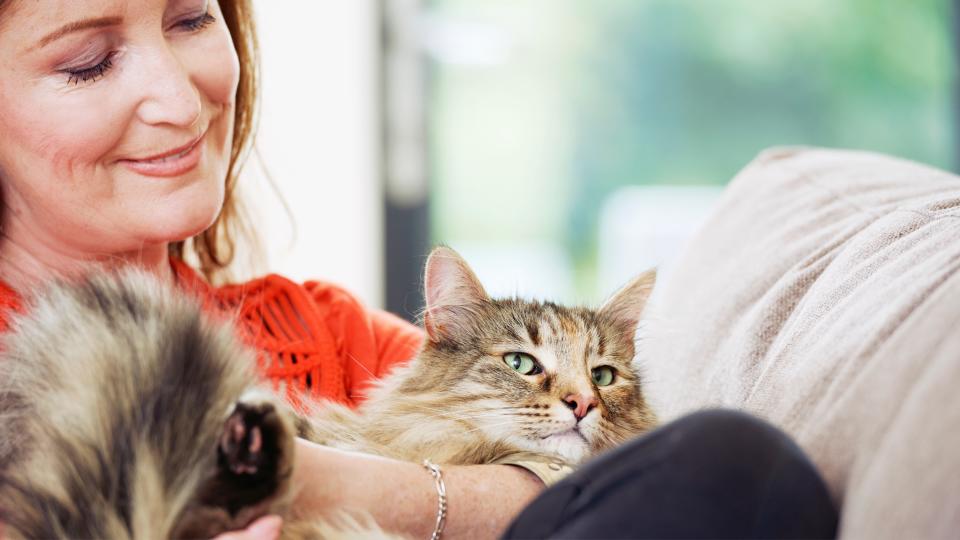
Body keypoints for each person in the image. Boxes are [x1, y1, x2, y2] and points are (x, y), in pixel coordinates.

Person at [0, 1, 838, 539]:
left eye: (190, 20)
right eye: (88, 63)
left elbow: (591, 488)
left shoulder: (324, 333)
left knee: (736, 466)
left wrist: (325, 486)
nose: (183, 102)